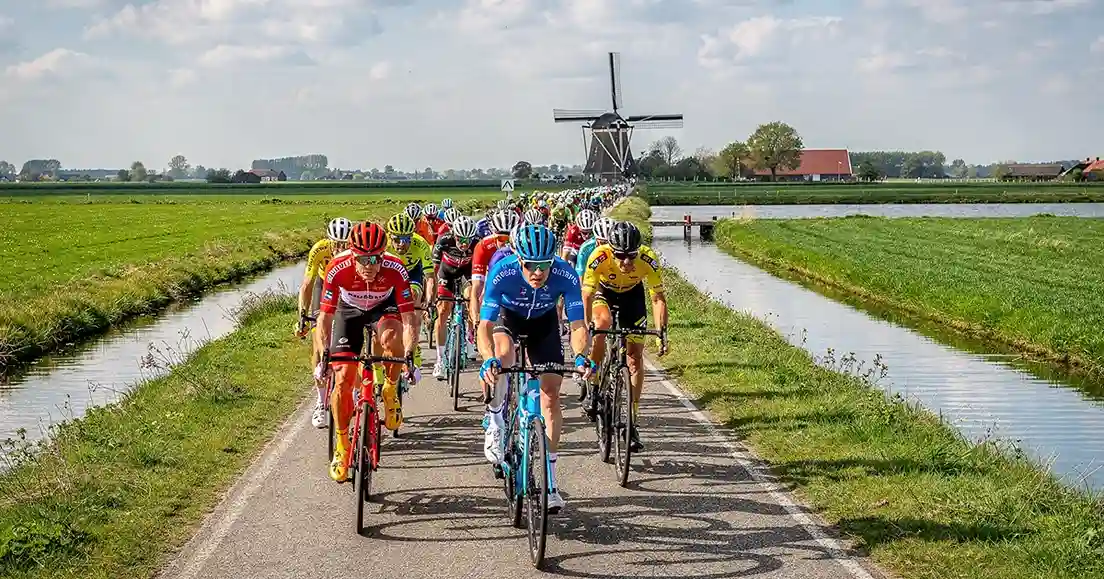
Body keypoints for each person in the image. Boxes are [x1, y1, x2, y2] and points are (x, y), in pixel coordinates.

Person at [478, 224, 595, 513]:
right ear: (519, 260)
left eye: (543, 265)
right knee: (503, 357)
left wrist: (580, 356)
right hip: (510, 317)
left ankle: (551, 482)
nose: (537, 272)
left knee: (551, 395)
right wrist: (487, 358)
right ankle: (495, 419)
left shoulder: (566, 274)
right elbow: (485, 325)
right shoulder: (502, 271)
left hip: (544, 323)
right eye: (530, 265)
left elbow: (579, 325)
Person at [316, 222, 417, 482]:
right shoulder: (337, 268)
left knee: (390, 340)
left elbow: (408, 319)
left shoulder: (395, 268)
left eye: (375, 259)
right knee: (342, 378)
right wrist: (324, 356)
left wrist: (409, 356)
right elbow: (324, 319)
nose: (370, 265)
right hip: (348, 310)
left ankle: (390, 389)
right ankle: (341, 446)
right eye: (363, 259)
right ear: (352, 254)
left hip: (384, 307)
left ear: (384, 254)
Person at [581, 221, 668, 452]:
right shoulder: (599, 256)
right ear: (611, 250)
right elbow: (587, 294)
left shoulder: (648, 258)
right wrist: (587, 325)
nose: (627, 262)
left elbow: (658, 297)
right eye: (620, 255)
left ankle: (631, 420)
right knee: (603, 324)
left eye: (631, 255)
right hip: (604, 293)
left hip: (633, 298)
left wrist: (661, 333)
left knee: (634, 357)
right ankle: (595, 383)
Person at [296, 217, 352, 428]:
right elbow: (307, 284)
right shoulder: (319, 249)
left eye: (344, 244)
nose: (339, 248)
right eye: (336, 244)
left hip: (345, 287)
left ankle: (351, 390)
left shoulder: (355, 251)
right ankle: (320, 402)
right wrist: (302, 314)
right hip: (324, 284)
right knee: (318, 343)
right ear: (329, 241)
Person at [386, 212, 436, 382]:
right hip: (391, 273)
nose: (401, 244)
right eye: (397, 239)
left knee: (413, 300)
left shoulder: (420, 244)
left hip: (411, 274)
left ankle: (413, 347)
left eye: (406, 239)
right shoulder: (384, 244)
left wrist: (429, 302)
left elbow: (430, 277)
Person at [431, 215, 479, 378]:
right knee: (443, 311)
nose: (464, 244)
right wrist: (433, 295)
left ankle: (470, 337)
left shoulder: (477, 243)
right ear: (454, 235)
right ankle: (440, 360)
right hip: (446, 272)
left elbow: (480, 271)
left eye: (468, 240)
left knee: (472, 297)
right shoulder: (444, 240)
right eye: (460, 239)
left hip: (466, 273)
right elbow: (434, 269)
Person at [575, 217, 615, 281]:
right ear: (596, 238)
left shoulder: (619, 245)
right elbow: (581, 274)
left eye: (609, 243)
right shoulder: (586, 248)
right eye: (602, 242)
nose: (606, 246)